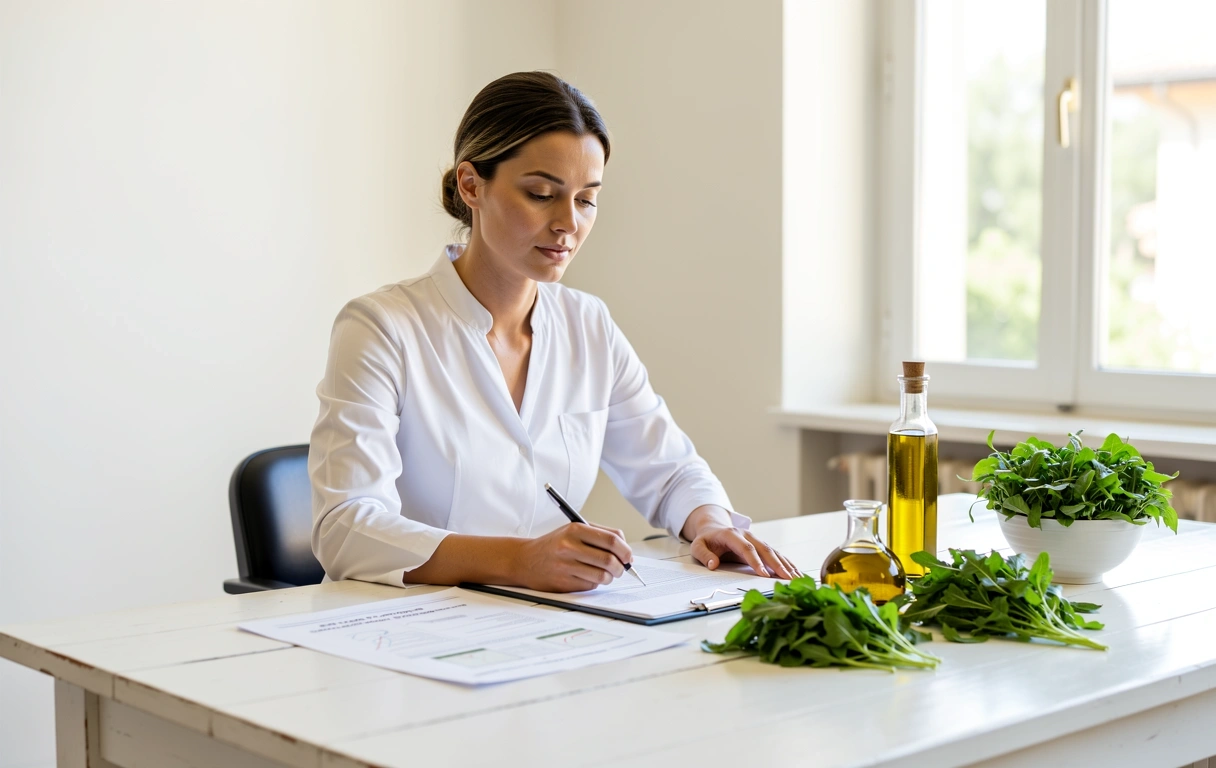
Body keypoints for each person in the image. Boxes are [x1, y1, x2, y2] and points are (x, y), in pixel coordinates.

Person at [308, 71, 800, 593]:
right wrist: (520, 561)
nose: (569, 223)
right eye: (542, 194)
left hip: (548, 625)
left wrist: (710, 523)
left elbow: (670, 469)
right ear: (471, 185)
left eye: (586, 200)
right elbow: (346, 529)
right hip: (407, 635)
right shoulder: (382, 327)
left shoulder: (588, 324)